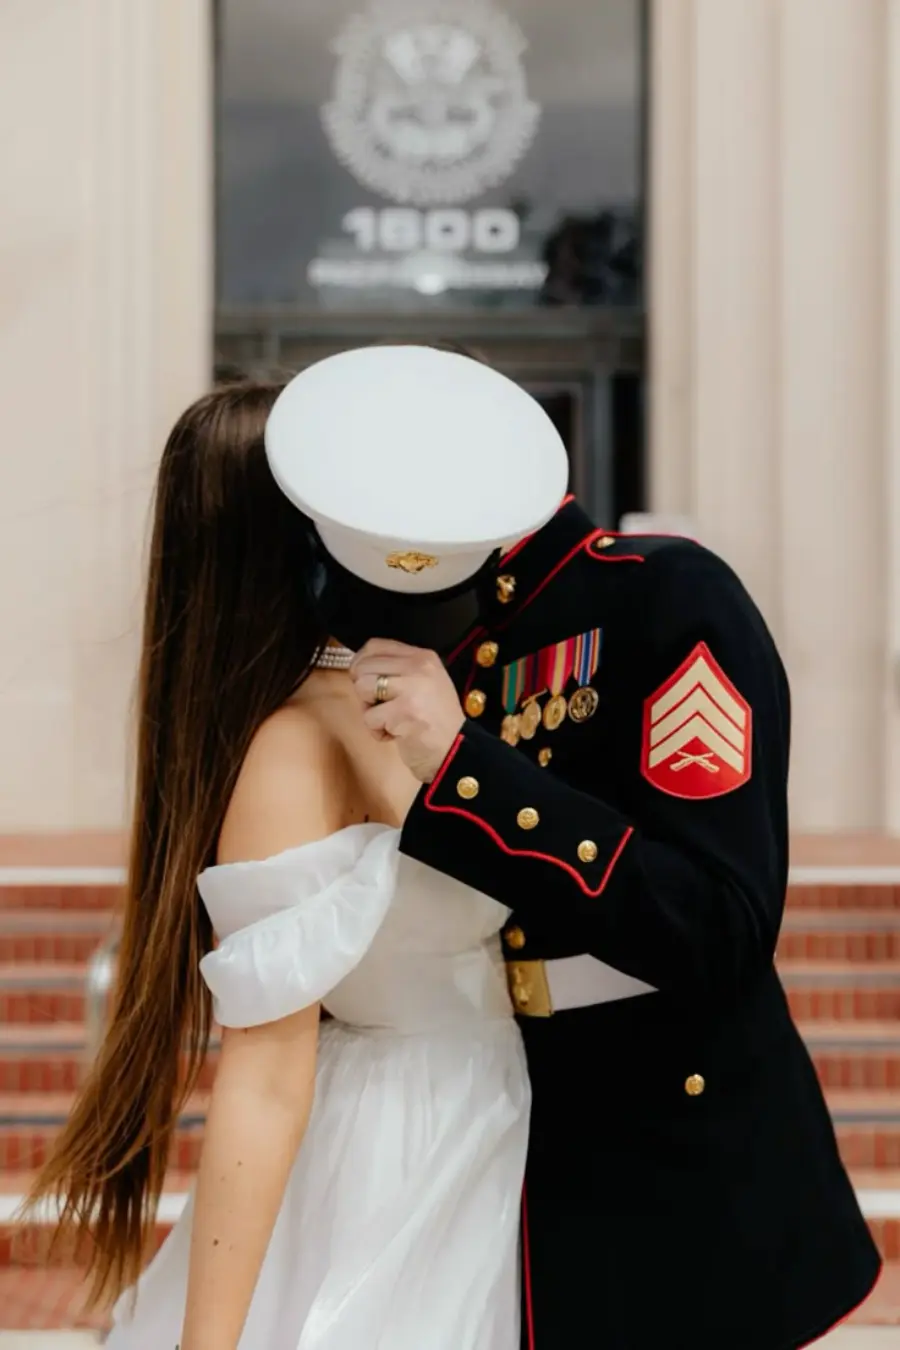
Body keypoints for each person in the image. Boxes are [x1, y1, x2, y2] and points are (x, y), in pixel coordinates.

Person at [261, 344, 884, 1350]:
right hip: (490, 1124)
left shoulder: (664, 599)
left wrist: (459, 759)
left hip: (674, 1152)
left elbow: (719, 924)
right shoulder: (426, 631)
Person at [27, 372, 568, 1348]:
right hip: (405, 1162)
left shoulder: (408, 698)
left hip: (481, 1133)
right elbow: (266, 1076)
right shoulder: (300, 742)